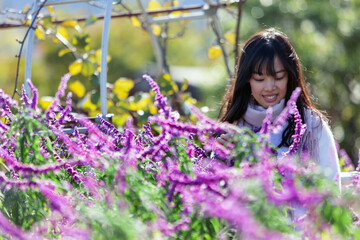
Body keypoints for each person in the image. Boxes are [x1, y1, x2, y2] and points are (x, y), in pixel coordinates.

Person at [217, 28, 340, 186]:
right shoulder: (233, 126)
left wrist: (254, 156)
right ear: (247, 79)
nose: (269, 87)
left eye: (278, 77)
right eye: (259, 79)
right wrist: (222, 156)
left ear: (290, 76)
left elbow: (332, 189)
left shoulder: (312, 126)